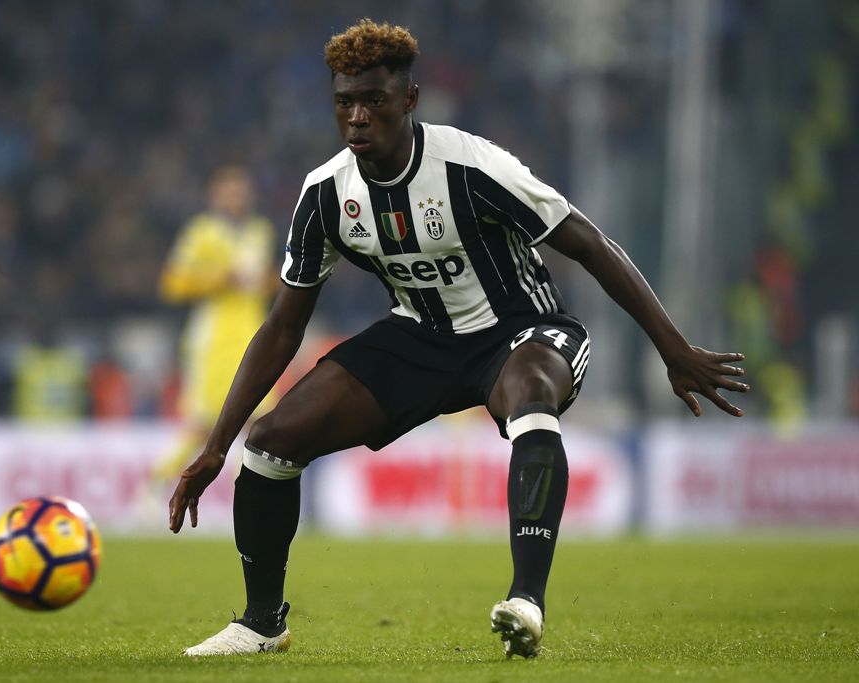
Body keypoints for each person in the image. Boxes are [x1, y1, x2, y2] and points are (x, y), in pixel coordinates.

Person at [170, 19, 749, 659]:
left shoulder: (473, 166)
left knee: (531, 391)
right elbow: (284, 324)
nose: (357, 117)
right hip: (420, 338)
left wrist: (673, 349)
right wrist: (216, 445)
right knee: (271, 440)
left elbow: (588, 243)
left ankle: (526, 602)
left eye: (374, 101)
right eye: (344, 103)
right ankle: (261, 625)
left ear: (409, 100)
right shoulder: (327, 194)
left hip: (521, 331)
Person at [153, 165, 275, 482]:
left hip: (253, 333)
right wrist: (219, 278)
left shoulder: (260, 231)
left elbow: (263, 283)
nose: (236, 198)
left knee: (259, 421)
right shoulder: (201, 233)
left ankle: (245, 492)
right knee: (204, 424)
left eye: (241, 191)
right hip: (213, 339)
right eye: (229, 192)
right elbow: (172, 284)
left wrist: (270, 281)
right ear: (215, 195)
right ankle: (156, 483)